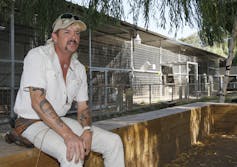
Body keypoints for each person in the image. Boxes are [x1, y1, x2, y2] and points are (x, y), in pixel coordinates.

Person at [11, 13, 125, 167]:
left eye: (77, 33)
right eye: (67, 32)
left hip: (58, 120)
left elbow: (83, 107)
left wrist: (86, 129)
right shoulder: (38, 56)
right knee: (73, 153)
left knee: (114, 142)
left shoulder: (78, 68)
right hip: (31, 122)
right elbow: (37, 101)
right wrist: (69, 135)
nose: (74, 37)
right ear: (55, 37)